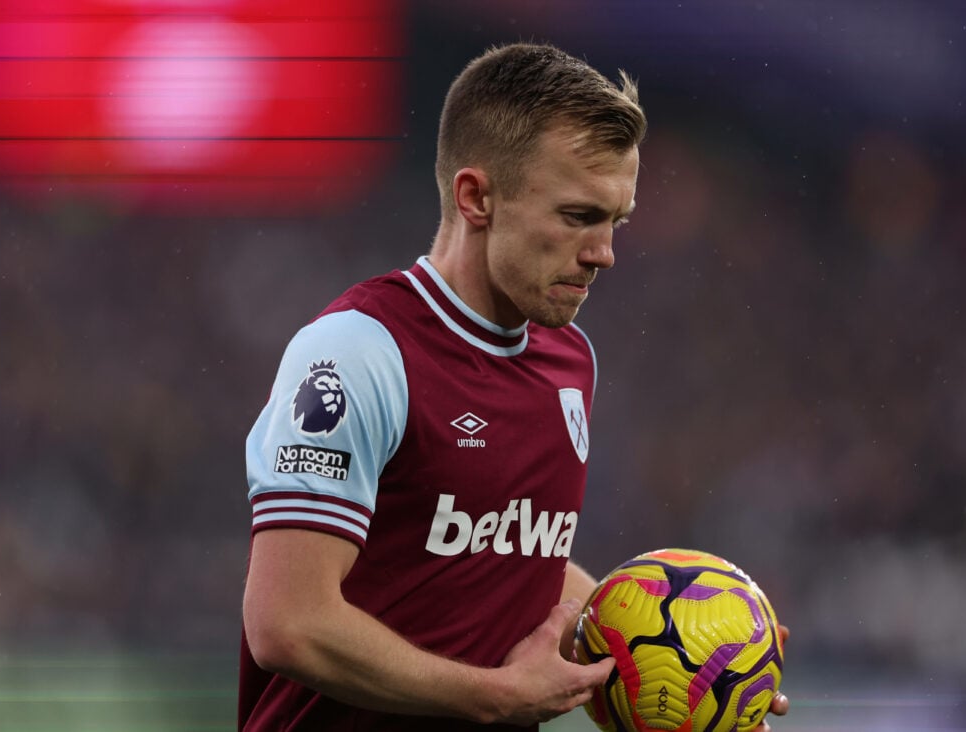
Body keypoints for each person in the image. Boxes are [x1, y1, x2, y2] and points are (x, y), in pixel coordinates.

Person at [239, 41, 788, 731]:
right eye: (578, 216)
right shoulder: (358, 352)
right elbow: (288, 624)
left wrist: (699, 653)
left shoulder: (569, 359)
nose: (604, 254)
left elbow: (504, 561)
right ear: (476, 198)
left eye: (615, 221)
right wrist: (495, 696)